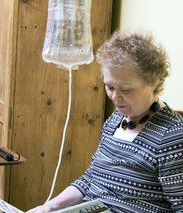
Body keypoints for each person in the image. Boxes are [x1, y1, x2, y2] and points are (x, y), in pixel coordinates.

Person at [27, 30, 183, 213]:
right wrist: (48, 207)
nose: (116, 97)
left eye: (126, 89)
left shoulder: (171, 137)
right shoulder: (116, 119)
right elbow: (91, 178)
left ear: (154, 82)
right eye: (109, 87)